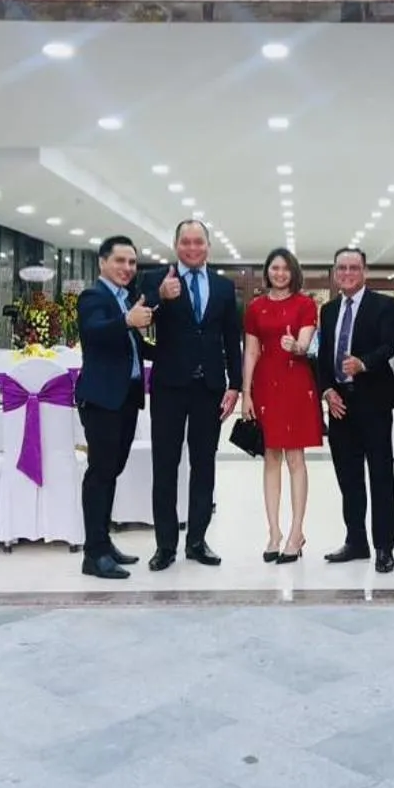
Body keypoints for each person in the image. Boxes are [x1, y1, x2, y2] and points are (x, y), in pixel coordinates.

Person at [140, 219, 242, 570]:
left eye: (199, 242)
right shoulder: (156, 280)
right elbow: (138, 321)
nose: (193, 248)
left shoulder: (224, 287)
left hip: (209, 390)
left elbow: (232, 339)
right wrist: (159, 299)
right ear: (175, 244)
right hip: (168, 388)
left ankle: (197, 540)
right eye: (186, 242)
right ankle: (165, 545)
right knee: (165, 467)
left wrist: (235, 385)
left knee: (204, 466)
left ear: (208, 246)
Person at [74, 234, 153, 580]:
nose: (127, 268)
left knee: (111, 473)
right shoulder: (95, 296)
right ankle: (93, 554)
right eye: (120, 261)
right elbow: (93, 332)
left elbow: (134, 347)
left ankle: (104, 544)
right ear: (103, 262)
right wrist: (126, 321)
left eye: (132, 262)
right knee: (99, 474)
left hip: (125, 400)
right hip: (102, 400)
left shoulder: (126, 300)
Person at [316, 247, 394, 573]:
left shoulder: (384, 305)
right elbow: (323, 356)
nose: (347, 273)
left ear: (364, 271)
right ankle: (356, 540)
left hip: (373, 402)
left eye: (353, 267)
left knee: (380, 477)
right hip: (339, 407)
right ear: (335, 273)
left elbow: (389, 345)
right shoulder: (330, 310)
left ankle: (383, 547)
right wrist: (326, 390)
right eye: (341, 268)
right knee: (348, 478)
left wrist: (364, 363)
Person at [242, 247, 322, 563]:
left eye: (285, 268)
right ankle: (274, 531)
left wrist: (297, 346)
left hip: (296, 383)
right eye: (274, 267)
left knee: (295, 458)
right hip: (265, 384)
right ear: (267, 271)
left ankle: (296, 531)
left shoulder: (305, 304)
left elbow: (305, 342)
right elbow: (250, 352)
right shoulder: (255, 308)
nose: (279, 273)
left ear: (293, 272)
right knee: (270, 457)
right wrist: (246, 392)